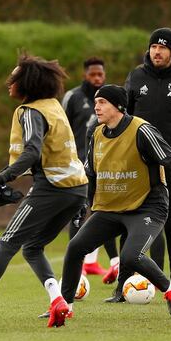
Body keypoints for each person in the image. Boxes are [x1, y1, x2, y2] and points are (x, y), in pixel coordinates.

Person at [0, 55, 88, 327]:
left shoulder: (30, 111)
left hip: (53, 188)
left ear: (28, 84)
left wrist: (1, 178)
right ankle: (59, 301)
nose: (8, 83)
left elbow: (32, 152)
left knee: (6, 243)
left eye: (14, 79)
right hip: (77, 189)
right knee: (32, 248)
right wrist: (6, 177)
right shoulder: (53, 106)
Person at [53, 85, 171, 327]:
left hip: (147, 207)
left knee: (131, 256)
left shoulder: (142, 130)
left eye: (102, 102)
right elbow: (90, 173)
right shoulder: (95, 133)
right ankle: (65, 307)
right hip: (110, 208)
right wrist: (85, 204)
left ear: (119, 106)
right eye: (95, 102)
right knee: (75, 248)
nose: (96, 106)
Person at [113, 28, 171, 304]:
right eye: (154, 46)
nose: (157, 51)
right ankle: (123, 286)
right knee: (129, 223)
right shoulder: (136, 77)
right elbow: (122, 118)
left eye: (163, 47)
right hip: (139, 165)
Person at [61, 57, 118, 278]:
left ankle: (96, 263)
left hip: (105, 164)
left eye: (100, 75)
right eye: (93, 74)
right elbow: (61, 128)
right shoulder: (73, 97)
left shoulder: (109, 99)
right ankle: (78, 268)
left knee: (105, 210)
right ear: (85, 75)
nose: (97, 78)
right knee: (81, 211)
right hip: (77, 165)